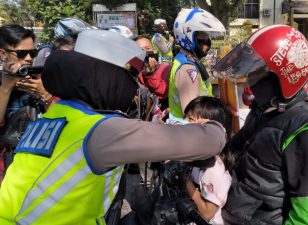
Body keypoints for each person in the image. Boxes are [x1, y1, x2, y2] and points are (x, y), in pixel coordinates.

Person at [0, 29, 226, 225]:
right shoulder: (102, 130)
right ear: (109, 78)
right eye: (130, 78)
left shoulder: (52, 115)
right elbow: (211, 139)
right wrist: (211, 121)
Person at [213, 24, 308, 225]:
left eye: (257, 75)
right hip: (232, 207)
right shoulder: (265, 109)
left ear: (283, 76)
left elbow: (307, 215)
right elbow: (234, 149)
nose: (251, 82)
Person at [0, 24, 54, 181]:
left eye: (32, 52)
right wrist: (6, 87)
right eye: (22, 53)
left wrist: (46, 96)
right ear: (2, 54)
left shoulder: (43, 81)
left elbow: (61, 123)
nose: (29, 58)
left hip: (39, 168)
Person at [168, 8, 225, 124]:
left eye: (207, 37)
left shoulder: (185, 59)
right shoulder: (188, 69)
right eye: (202, 37)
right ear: (187, 36)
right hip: (192, 132)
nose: (207, 42)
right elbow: (193, 116)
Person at [184, 96, 234, 225]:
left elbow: (207, 213)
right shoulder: (200, 156)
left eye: (190, 119)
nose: (184, 122)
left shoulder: (216, 172)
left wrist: (186, 183)